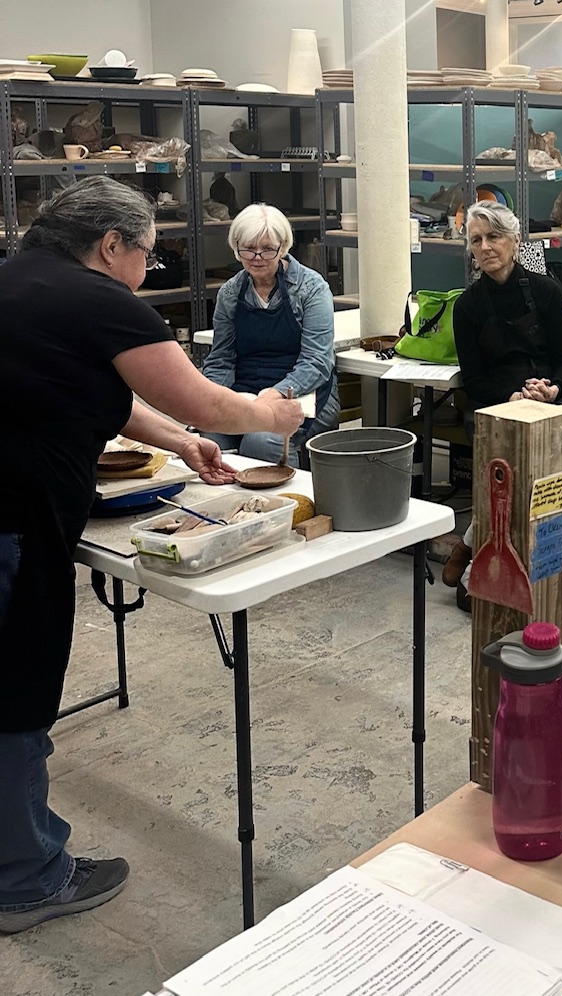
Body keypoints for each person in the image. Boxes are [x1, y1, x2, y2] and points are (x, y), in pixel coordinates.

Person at [0, 177, 303, 934]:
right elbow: (206, 398)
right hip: (13, 522)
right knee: (13, 697)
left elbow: (109, 393)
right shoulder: (100, 298)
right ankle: (27, 879)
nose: (147, 269)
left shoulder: (19, 279)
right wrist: (270, 414)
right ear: (112, 245)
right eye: (147, 254)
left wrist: (182, 442)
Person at [446, 203, 562, 611]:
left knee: (538, 473)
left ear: (515, 242)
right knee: (504, 474)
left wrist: (551, 389)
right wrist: (514, 397)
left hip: (547, 396)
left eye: (494, 237)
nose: (485, 247)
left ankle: (475, 548)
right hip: (495, 402)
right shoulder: (467, 307)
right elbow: (474, 380)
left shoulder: (547, 292)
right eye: (476, 240)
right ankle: (485, 570)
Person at [199, 204, 337, 467]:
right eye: (248, 249)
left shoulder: (311, 289)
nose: (257, 257)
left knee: (260, 442)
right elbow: (220, 359)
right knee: (212, 439)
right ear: (236, 246)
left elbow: (317, 362)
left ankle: (287, 493)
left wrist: (273, 396)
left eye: (267, 249)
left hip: (304, 392)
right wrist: (213, 399)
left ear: (283, 246)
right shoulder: (230, 293)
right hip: (246, 392)